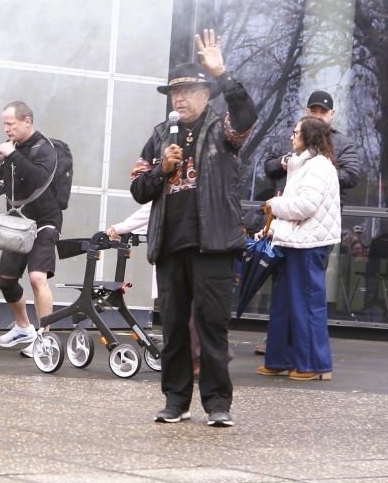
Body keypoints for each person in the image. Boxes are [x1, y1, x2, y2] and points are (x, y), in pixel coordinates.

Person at [130, 30, 256, 427]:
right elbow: (137, 189)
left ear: (206, 94)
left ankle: (218, 405)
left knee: (212, 328)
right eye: (174, 92)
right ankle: (175, 400)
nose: (179, 98)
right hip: (171, 246)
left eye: (187, 90)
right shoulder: (158, 135)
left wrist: (223, 74)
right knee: (173, 329)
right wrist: (161, 169)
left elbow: (247, 118)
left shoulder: (223, 130)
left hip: (214, 245)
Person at [255, 89, 361, 354]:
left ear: (332, 115)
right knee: (283, 286)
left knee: (309, 291)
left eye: (322, 112)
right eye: (312, 111)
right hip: (288, 225)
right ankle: (282, 343)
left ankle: (307, 350)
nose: (317, 115)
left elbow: (352, 176)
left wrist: (315, 166)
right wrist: (287, 161)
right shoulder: (295, 139)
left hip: (316, 228)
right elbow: (268, 167)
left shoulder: (342, 145)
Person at [258, 117, 342, 381]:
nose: (291, 136)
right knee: (284, 303)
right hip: (295, 241)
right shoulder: (303, 164)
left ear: (309, 136)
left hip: (308, 244)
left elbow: (305, 206)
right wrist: (272, 228)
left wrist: (274, 204)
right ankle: (279, 359)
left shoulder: (318, 166)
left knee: (306, 303)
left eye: (296, 132)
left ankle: (313, 364)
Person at [0, 101, 61, 358]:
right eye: (4, 124)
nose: (6, 129)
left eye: (10, 124)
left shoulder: (44, 148)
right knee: (6, 280)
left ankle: (44, 337)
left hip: (45, 221)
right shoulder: (11, 147)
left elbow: (37, 177)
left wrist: (12, 155)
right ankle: (24, 328)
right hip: (18, 222)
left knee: (38, 277)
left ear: (27, 121)